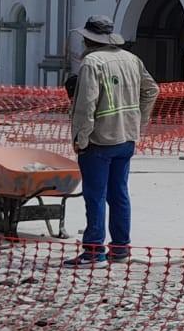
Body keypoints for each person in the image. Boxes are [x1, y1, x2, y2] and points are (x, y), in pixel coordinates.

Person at [67, 16, 159, 268]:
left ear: (88, 38)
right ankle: (120, 248)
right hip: (126, 138)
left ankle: (94, 251)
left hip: (99, 140)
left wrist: (80, 138)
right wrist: (138, 121)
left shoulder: (92, 62)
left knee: (95, 195)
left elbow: (86, 104)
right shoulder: (132, 59)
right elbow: (152, 90)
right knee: (119, 193)